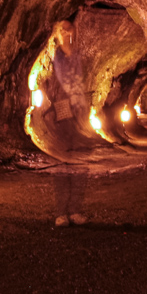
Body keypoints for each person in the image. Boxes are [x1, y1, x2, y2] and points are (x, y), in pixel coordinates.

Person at [48, 20, 89, 227]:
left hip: (80, 111)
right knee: (62, 161)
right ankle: (60, 212)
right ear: (56, 33)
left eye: (68, 28)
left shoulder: (79, 53)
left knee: (80, 162)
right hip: (61, 112)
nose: (65, 32)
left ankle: (75, 210)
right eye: (61, 29)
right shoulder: (51, 56)